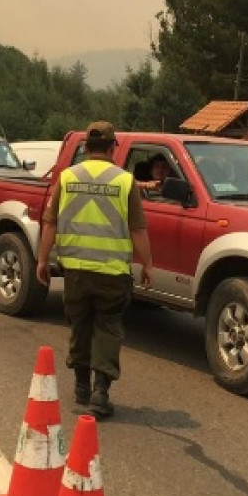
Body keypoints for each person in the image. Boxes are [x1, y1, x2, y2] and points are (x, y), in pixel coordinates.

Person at [36, 121, 153, 419]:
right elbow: (138, 229)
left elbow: (49, 222)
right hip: (112, 273)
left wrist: (42, 259)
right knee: (108, 328)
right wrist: (148, 264)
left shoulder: (66, 177)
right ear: (113, 148)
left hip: (75, 270)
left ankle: (80, 386)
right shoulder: (125, 181)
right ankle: (100, 394)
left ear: (86, 147)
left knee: (80, 325)